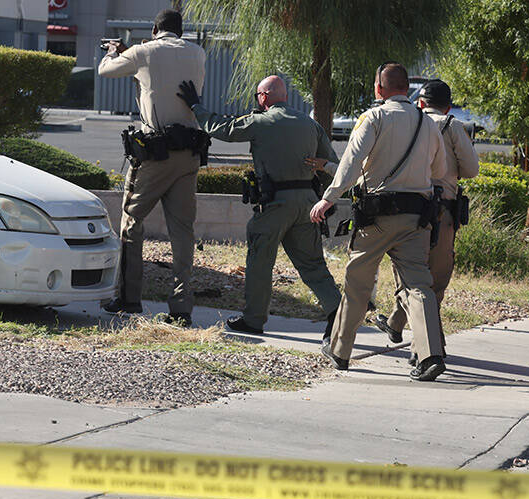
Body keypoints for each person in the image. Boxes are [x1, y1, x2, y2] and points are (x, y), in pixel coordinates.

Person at [311, 62, 448, 381]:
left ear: (379, 89)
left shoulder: (373, 118)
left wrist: (328, 198)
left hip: (376, 217)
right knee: (418, 285)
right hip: (416, 217)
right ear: (407, 89)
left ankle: (340, 351)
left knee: (358, 283)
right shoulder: (427, 123)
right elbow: (440, 170)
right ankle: (430, 355)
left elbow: (350, 163)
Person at [177, 74, 341, 338]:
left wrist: (197, 107)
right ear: (285, 96)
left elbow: (222, 128)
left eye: (258, 96)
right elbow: (329, 163)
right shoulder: (311, 124)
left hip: (275, 204)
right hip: (307, 203)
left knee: (260, 262)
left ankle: (253, 319)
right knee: (312, 265)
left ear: (263, 97)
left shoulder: (261, 121)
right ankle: (337, 313)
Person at [97, 8, 206, 327]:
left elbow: (107, 71)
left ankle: (129, 299)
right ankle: (181, 308)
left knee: (132, 221)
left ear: (155, 29)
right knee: (183, 231)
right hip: (189, 152)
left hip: (155, 154)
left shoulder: (144, 52)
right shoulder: (197, 53)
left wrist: (114, 52)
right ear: (180, 30)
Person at [375, 78, 479, 359]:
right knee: (435, 279)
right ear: (448, 107)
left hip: (407, 210)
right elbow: (471, 169)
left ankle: (398, 324)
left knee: (411, 276)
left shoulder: (409, 121)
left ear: (420, 102)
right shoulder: (452, 126)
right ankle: (430, 346)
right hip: (442, 211)